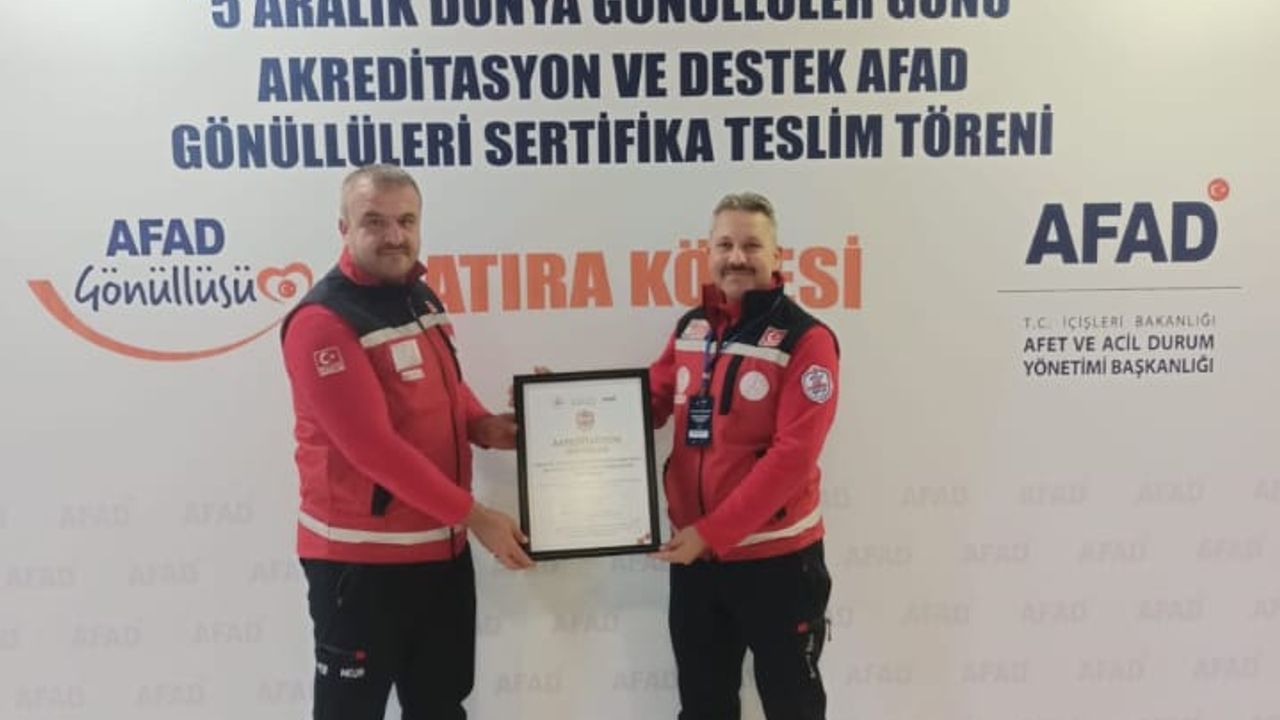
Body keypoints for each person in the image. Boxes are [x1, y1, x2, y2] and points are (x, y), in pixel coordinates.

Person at [280, 165, 533, 720]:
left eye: (406, 221)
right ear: (343, 227)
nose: (394, 235)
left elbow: (447, 389)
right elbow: (372, 448)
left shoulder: (418, 295)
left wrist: (486, 427)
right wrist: (477, 517)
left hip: (440, 554)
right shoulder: (322, 322)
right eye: (374, 221)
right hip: (361, 566)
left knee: (441, 706)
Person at [649, 192, 840, 720]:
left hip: (778, 562)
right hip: (697, 562)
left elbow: (793, 458)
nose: (737, 257)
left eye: (752, 245)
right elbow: (650, 402)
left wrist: (712, 532)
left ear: (777, 255)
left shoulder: (807, 340)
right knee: (703, 707)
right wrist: (564, 405)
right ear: (708, 253)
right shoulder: (691, 328)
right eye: (725, 245)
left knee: (793, 706)